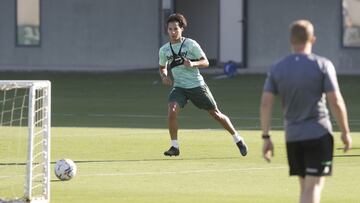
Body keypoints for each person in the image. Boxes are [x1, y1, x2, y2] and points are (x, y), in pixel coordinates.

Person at [260, 19, 352, 203]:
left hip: (293, 137)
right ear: (313, 39)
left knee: (305, 188)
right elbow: (336, 100)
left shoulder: (278, 67)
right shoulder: (322, 64)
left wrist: (266, 137)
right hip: (318, 134)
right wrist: (345, 132)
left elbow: (265, 103)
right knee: (314, 187)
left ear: (291, 40)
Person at [158, 13, 248, 157]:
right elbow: (162, 66)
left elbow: (205, 61)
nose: (173, 32)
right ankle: (174, 147)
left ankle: (237, 138)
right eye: (170, 29)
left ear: (182, 29)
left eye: (175, 29)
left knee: (215, 114)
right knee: (172, 110)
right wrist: (164, 75)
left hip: (196, 86)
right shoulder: (164, 50)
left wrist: (192, 63)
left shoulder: (190, 44)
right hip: (179, 87)